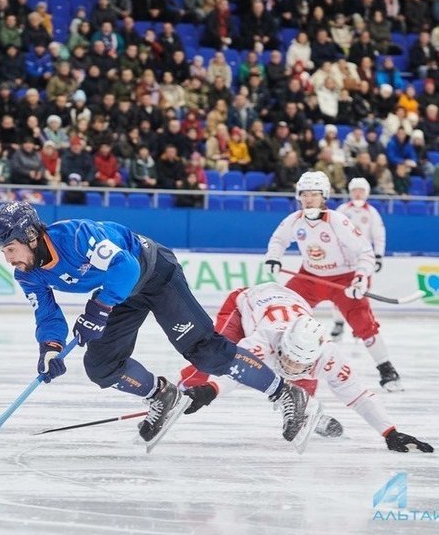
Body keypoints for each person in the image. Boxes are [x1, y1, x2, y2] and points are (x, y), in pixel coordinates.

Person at [0, 201, 319, 448]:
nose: (8, 258)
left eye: (10, 248)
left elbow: (126, 267)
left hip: (155, 274)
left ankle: (285, 392)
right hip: (121, 292)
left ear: (30, 236)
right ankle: (163, 395)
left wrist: (99, 308)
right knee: (101, 366)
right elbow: (46, 314)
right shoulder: (28, 274)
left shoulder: (76, 236)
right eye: (3, 251)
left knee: (205, 352)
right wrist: (50, 348)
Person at [178, 283, 432, 453]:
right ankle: (180, 391)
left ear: (316, 355)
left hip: (293, 303)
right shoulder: (266, 338)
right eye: (288, 359)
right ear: (283, 344)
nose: (290, 367)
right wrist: (208, 391)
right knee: (210, 356)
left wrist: (390, 432)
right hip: (246, 302)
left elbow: (358, 395)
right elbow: (236, 369)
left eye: (301, 363)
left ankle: (305, 408)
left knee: (302, 387)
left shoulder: (328, 355)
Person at [263, 171, 402, 391]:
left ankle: (387, 369)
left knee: (364, 324)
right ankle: (276, 362)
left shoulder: (338, 220)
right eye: (304, 194)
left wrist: (360, 278)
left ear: (324, 196)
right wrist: (273, 256)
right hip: (308, 278)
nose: (308, 199)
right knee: (283, 310)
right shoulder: (294, 220)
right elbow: (279, 239)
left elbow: (365, 251)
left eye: (314, 194)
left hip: (343, 278)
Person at [330, 178, 386, 340]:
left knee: (362, 293)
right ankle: (338, 323)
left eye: (361, 190)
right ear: (350, 192)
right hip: (343, 260)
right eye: (355, 190)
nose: (358, 193)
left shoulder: (372, 212)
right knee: (338, 292)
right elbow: (332, 232)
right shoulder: (342, 210)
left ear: (367, 193)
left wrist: (379, 255)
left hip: (363, 260)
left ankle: (359, 325)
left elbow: (379, 235)